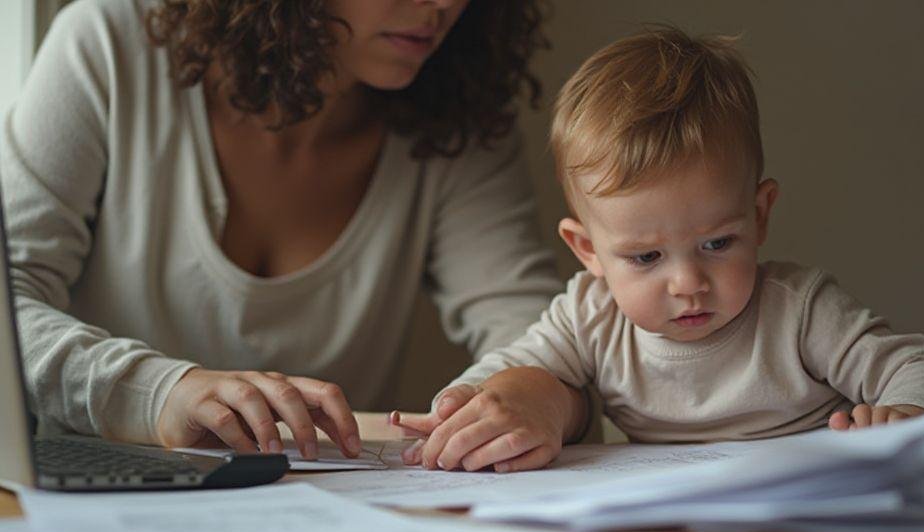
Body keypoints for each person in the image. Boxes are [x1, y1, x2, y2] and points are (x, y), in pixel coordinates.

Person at [393, 27, 924, 473]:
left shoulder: (798, 311)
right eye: (646, 258)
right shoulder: (590, 316)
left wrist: (910, 422)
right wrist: (463, 404)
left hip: (807, 507)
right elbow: (514, 370)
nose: (688, 282)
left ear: (759, 214)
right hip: (675, 516)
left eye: (718, 243)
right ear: (588, 249)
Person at [1, 0, 562, 461]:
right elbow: (8, 305)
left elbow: (536, 335)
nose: (443, 3)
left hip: (326, 517)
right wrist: (157, 393)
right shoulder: (108, 44)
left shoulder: (460, 114)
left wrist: (523, 397)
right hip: (84, 511)